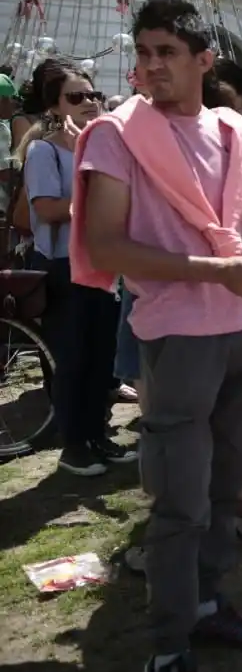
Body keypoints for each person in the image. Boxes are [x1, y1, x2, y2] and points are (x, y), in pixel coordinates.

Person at [74, 0, 242, 672]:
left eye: (166, 53)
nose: (149, 66)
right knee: (179, 497)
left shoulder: (236, 131)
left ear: (204, 61)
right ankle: (170, 644)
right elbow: (106, 244)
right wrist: (222, 268)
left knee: (229, 482)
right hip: (178, 334)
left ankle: (206, 605)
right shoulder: (118, 134)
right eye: (143, 51)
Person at [19, 57, 132, 474]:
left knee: (103, 356)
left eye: (93, 95)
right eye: (77, 96)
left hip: (103, 264)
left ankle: (98, 434)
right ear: (54, 106)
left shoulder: (99, 147)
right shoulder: (43, 150)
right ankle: (74, 445)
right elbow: (47, 209)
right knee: (73, 358)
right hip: (64, 265)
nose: (89, 102)